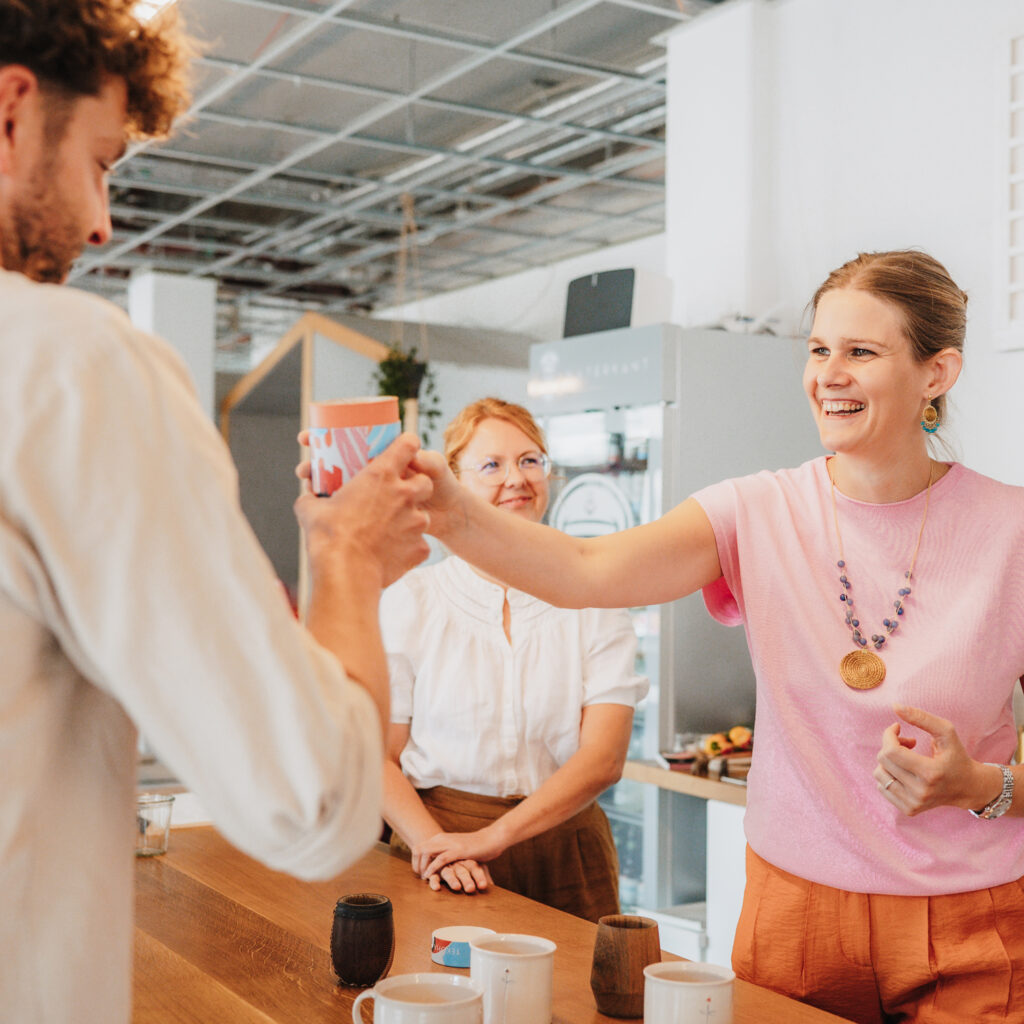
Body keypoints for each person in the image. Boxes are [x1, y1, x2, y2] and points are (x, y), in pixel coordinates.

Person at [412, 253, 1024, 1024]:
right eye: (818, 349)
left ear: (937, 373)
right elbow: (583, 569)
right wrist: (448, 512)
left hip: (969, 921)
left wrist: (985, 787)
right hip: (794, 915)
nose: (828, 375)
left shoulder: (1012, 530)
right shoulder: (755, 511)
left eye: (861, 352)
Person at [0, 4, 431, 1022]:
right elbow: (310, 801)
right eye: (100, 163)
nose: (102, 223)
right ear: (12, 112)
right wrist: (349, 554)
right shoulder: (68, 360)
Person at [377, 398, 647, 922]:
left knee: (577, 979)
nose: (516, 479)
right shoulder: (413, 600)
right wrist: (436, 845)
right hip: (439, 847)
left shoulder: (595, 599)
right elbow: (377, 757)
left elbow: (604, 759)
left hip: (566, 850)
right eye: (491, 465)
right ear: (451, 480)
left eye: (529, 460)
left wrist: (495, 837)